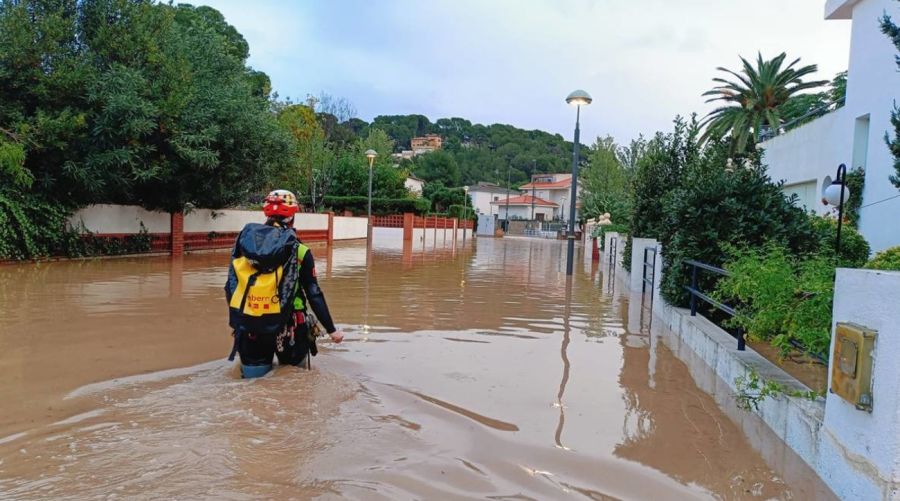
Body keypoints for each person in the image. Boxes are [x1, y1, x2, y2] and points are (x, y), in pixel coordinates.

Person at [225, 189, 343, 378]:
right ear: (293, 216)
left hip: (252, 325)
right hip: (291, 327)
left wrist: (239, 320)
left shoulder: (245, 248)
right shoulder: (300, 251)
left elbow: (231, 286)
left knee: (251, 387)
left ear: (266, 213)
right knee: (294, 380)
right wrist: (332, 330)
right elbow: (313, 292)